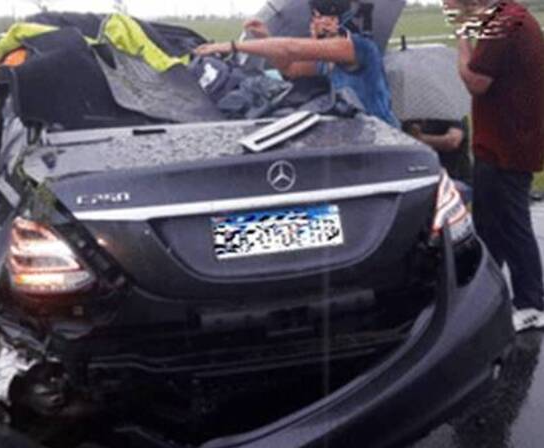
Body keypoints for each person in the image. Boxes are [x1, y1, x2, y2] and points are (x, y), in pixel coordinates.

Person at [447, 0, 544, 331]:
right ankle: (483, 295)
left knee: (512, 224)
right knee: (490, 225)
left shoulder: (504, 23)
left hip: (507, 145)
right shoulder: (508, 18)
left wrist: (461, 39)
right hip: (503, 143)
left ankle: (532, 303)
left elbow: (476, 81)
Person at [194, 0, 400, 127]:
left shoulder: (359, 48)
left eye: (321, 17)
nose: (314, 23)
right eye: (313, 17)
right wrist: (266, 37)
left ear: (338, 21)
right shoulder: (326, 62)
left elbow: (291, 48)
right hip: (355, 130)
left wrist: (232, 46)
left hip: (381, 132)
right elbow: (289, 69)